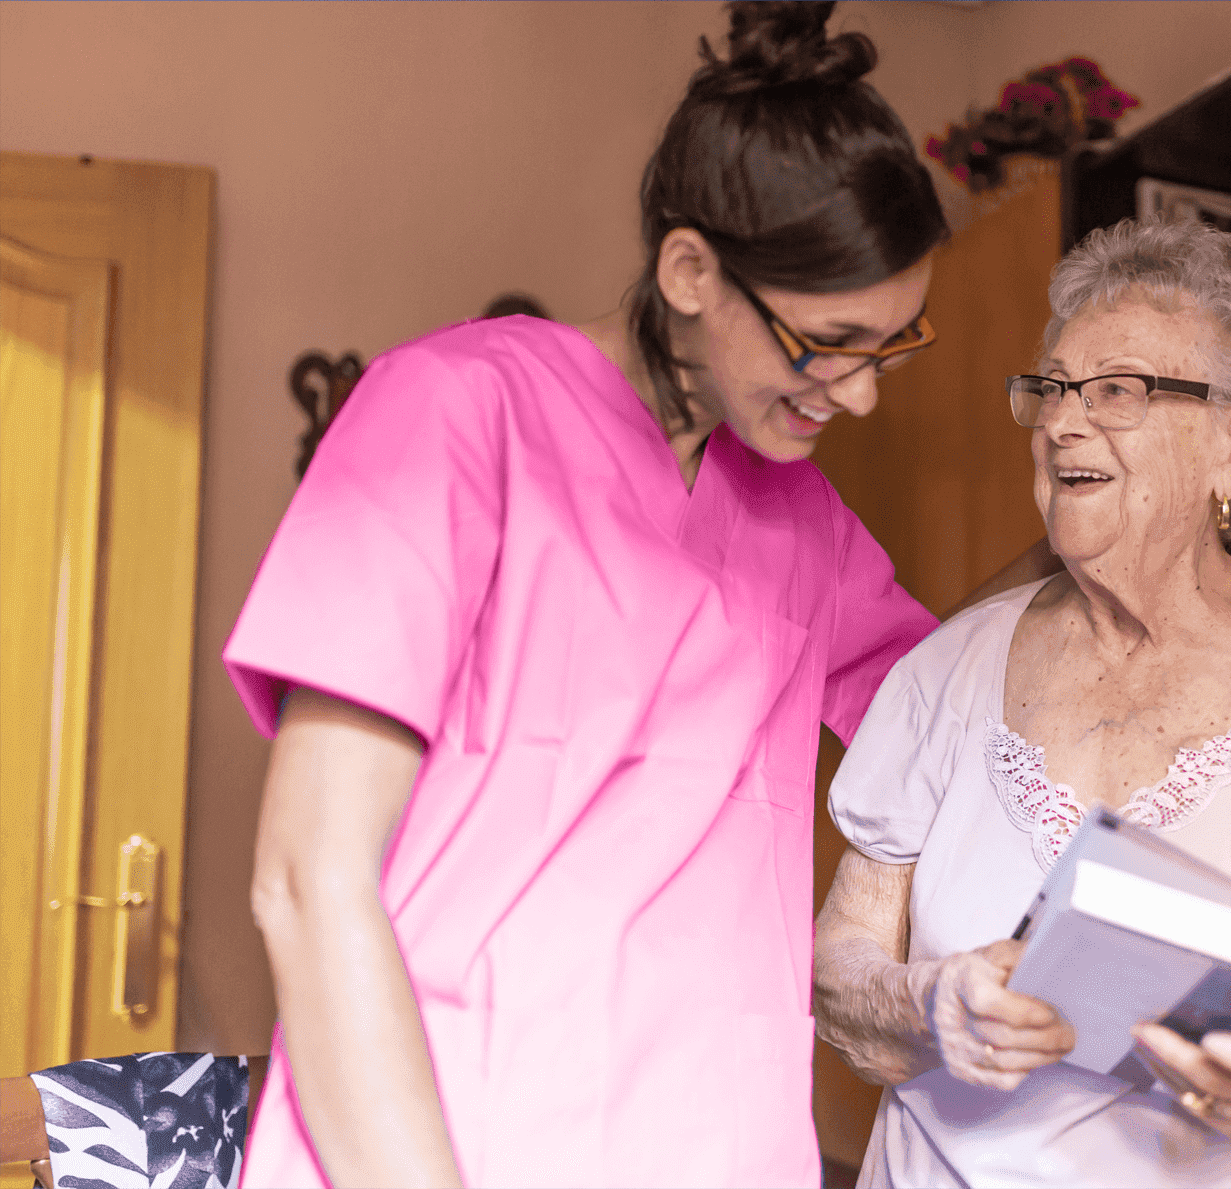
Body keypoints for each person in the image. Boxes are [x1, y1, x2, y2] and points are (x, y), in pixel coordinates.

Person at [226, 5, 958, 1185]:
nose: (860, 395)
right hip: (444, 1141)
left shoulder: (802, 523)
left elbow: (958, 708)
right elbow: (308, 878)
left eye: (889, 345)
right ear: (688, 270)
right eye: (827, 344)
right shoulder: (451, 416)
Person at [814, 216, 1231, 1188]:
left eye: (1116, 390)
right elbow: (839, 966)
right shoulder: (939, 675)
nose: (1062, 423)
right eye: (1053, 387)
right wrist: (926, 1000)